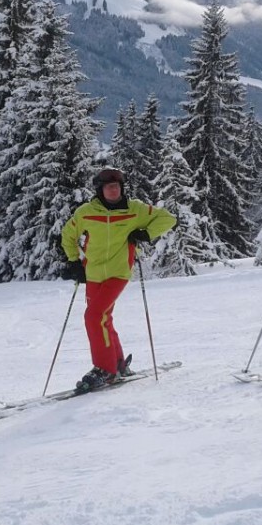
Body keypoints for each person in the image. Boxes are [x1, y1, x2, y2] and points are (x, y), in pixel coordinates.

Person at [60, 167, 176, 392]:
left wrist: (145, 233)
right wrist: (74, 262)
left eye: (116, 187)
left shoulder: (135, 210)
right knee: (103, 318)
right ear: (100, 190)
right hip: (93, 274)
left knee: (94, 316)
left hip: (118, 273)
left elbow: (168, 219)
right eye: (108, 187)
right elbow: (68, 235)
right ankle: (118, 363)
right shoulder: (86, 212)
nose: (113, 190)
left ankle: (105, 369)